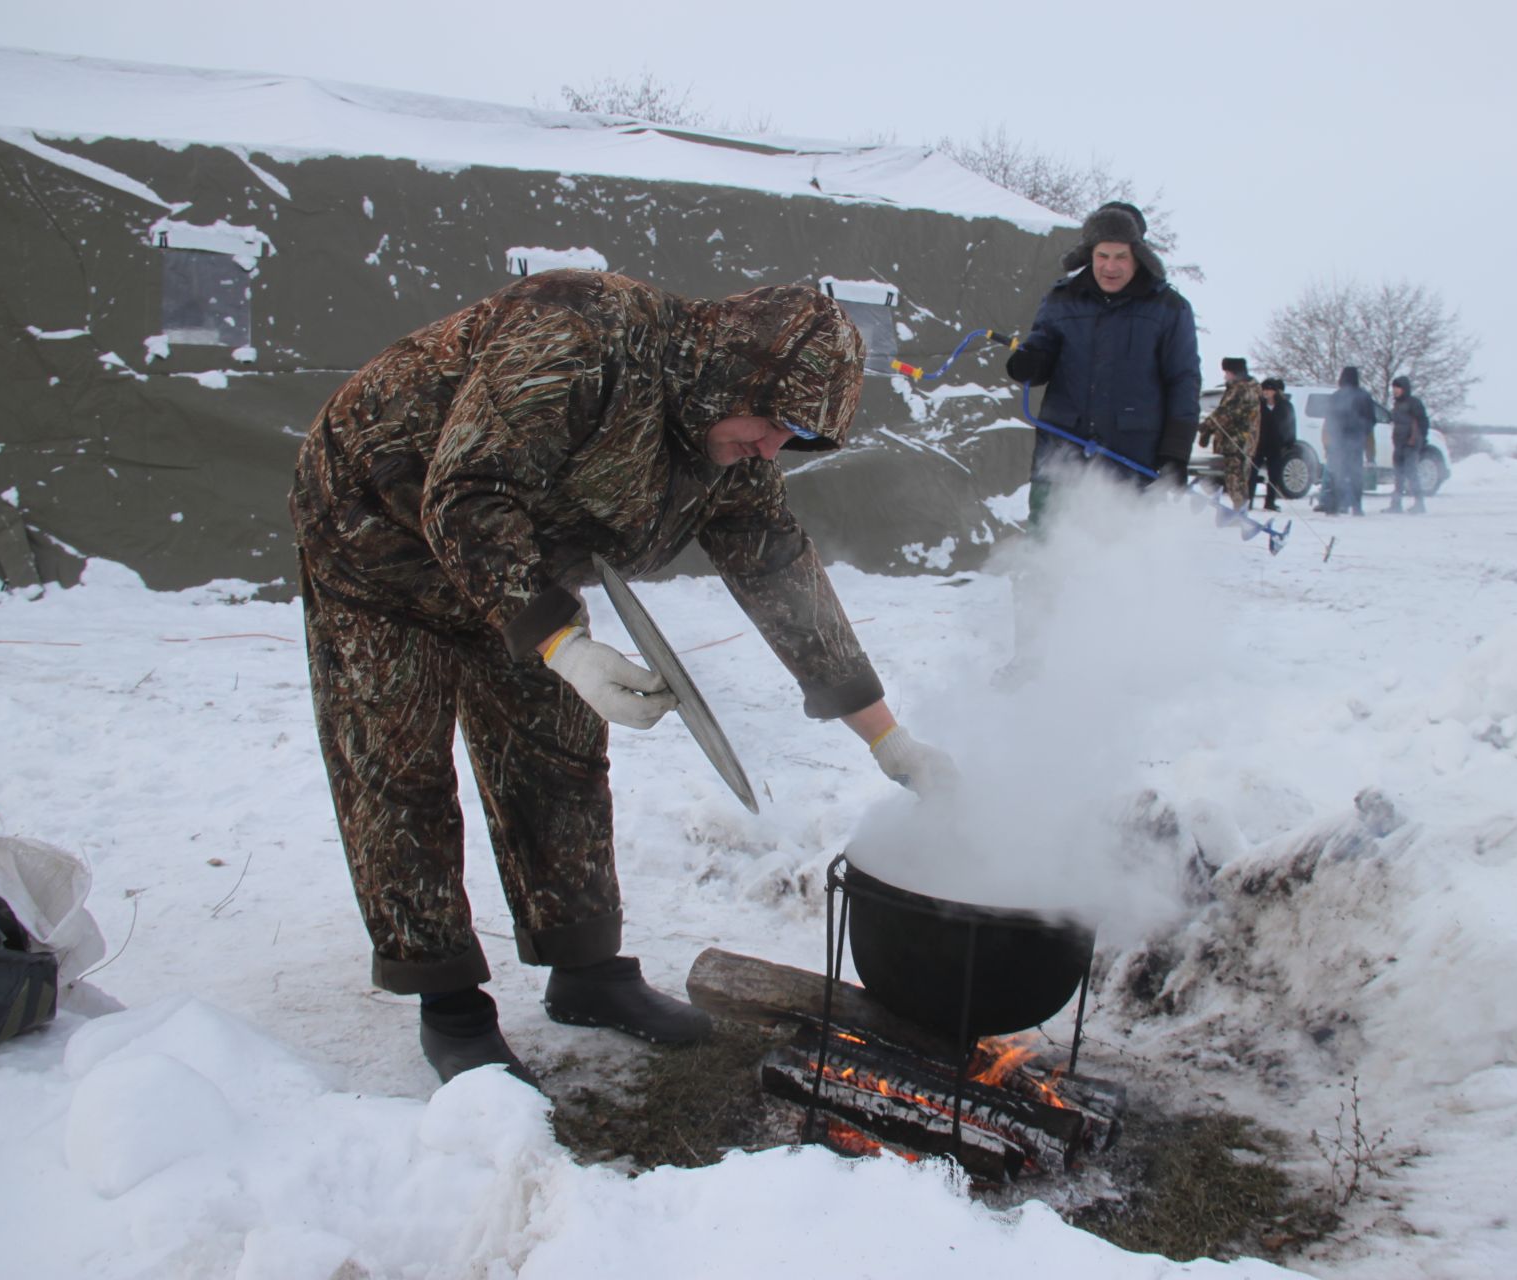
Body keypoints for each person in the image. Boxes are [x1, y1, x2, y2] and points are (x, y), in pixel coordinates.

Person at [289, 270, 954, 1087]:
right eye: (772, 423)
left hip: (516, 552)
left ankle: (587, 972)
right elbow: (465, 496)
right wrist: (564, 647)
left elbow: (777, 568)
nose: (772, 448)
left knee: (558, 753)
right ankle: (449, 1001)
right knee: (397, 763)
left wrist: (888, 738)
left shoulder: (727, 438)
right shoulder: (579, 338)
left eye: (794, 437)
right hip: (377, 533)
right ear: (729, 375)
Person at [1005, 201, 1201, 522]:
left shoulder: (1168, 308)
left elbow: (1183, 381)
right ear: (1089, 255)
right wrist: (1030, 363)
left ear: (1138, 255)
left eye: (1121, 256)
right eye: (1102, 256)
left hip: (1131, 464)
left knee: (1118, 562)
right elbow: (1042, 347)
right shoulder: (1062, 299)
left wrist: (1175, 454)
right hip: (1061, 458)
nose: (1111, 267)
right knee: (1047, 556)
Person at [1197, 357, 1260, 507]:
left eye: (1227, 372)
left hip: (1237, 442)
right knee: (1239, 479)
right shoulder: (1248, 388)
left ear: (1235, 373)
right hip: (1242, 441)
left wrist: (1206, 426)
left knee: (1235, 479)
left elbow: (1225, 414)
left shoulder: (1240, 389)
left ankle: (1240, 511)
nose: (1225, 376)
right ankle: (1241, 508)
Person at [1318, 366, 1376, 515]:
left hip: (1339, 441)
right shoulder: (1364, 396)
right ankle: (1357, 506)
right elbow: (1371, 420)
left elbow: (1329, 420)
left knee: (1338, 474)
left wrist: (1330, 441)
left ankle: (1336, 505)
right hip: (1356, 442)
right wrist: (1363, 434)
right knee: (1355, 474)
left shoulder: (1336, 396)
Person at [1386, 375, 1430, 513]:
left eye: (1398, 387)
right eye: (1394, 387)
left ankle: (1419, 503)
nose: (1395, 390)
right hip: (1399, 443)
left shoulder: (1414, 403)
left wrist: (1418, 440)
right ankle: (1396, 504)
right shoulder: (1397, 404)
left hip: (1410, 444)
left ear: (1404, 388)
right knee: (1398, 475)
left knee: (1411, 474)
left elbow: (1422, 422)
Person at [1253, 378, 1296, 511]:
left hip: (1276, 445)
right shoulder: (1258, 405)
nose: (1266, 392)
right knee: (1252, 472)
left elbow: (1291, 424)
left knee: (1274, 474)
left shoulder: (1285, 406)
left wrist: (1289, 441)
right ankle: (1248, 500)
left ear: (1275, 391)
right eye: (1264, 389)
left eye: (1269, 389)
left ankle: (1270, 501)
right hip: (1259, 444)